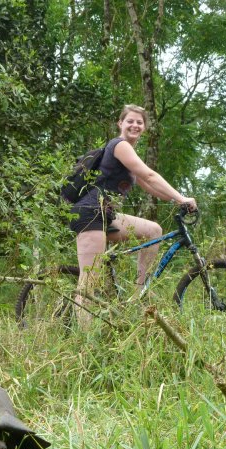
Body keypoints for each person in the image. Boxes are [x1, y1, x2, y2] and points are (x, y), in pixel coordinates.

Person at [68, 104, 197, 323]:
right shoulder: (120, 145)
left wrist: (177, 201)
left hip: (105, 214)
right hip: (90, 213)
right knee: (89, 283)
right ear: (120, 123)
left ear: (145, 127)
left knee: (154, 231)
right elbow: (149, 173)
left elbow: (150, 184)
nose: (135, 125)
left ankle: (137, 297)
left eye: (140, 122)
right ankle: (83, 344)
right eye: (130, 121)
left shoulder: (130, 153)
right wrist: (182, 197)